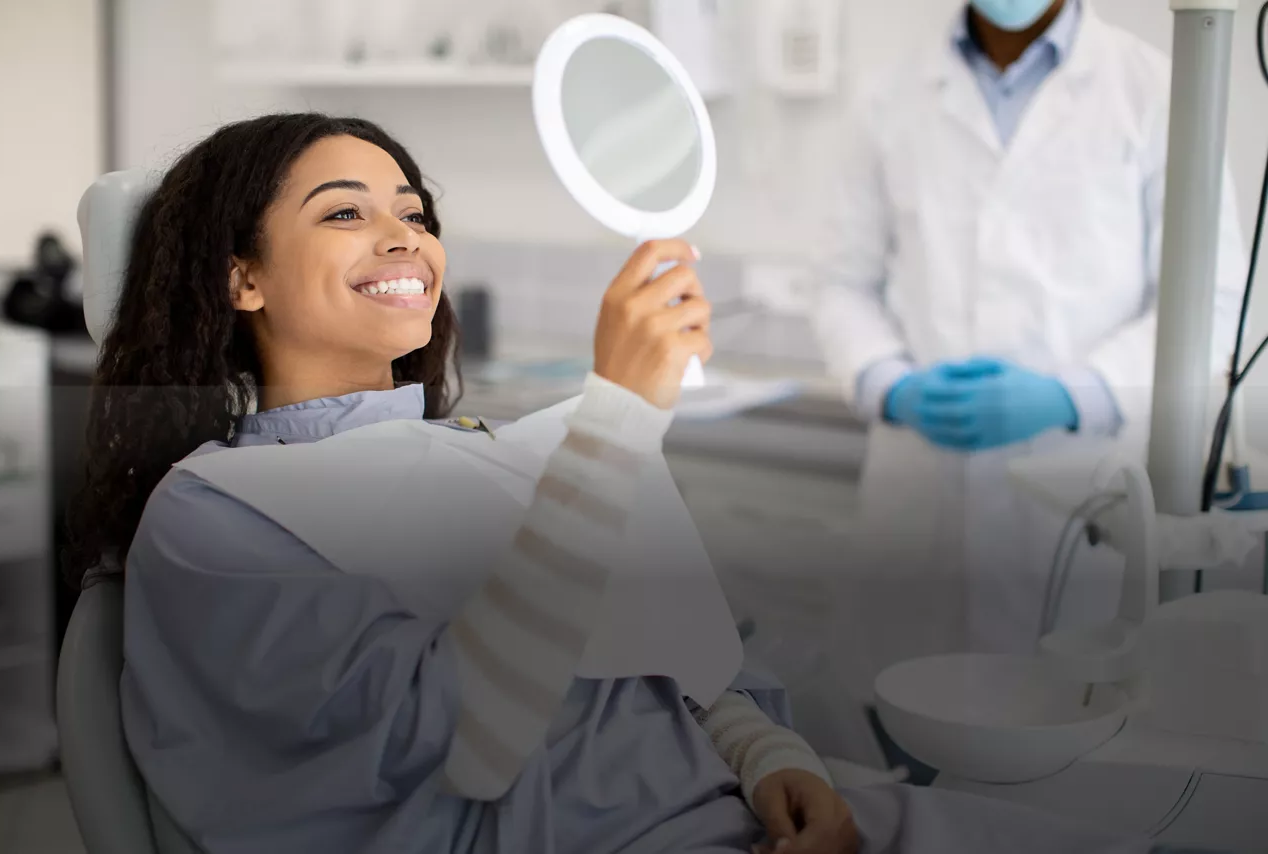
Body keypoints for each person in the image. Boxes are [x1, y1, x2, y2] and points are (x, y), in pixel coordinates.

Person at [65, 113, 1171, 854]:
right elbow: (467, 736)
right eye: (346, 210)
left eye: (413, 209)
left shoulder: (478, 451)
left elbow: (676, 653)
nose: (403, 234)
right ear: (240, 276)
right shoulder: (214, 516)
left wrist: (771, 755)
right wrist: (616, 422)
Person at [811, 0, 1247, 769]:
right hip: (919, 503)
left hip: (1085, 505)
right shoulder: (890, 96)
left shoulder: (1156, 90)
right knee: (902, 770)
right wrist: (889, 383)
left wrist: (1073, 395)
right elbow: (841, 282)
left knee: (1074, 775)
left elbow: (1208, 301)